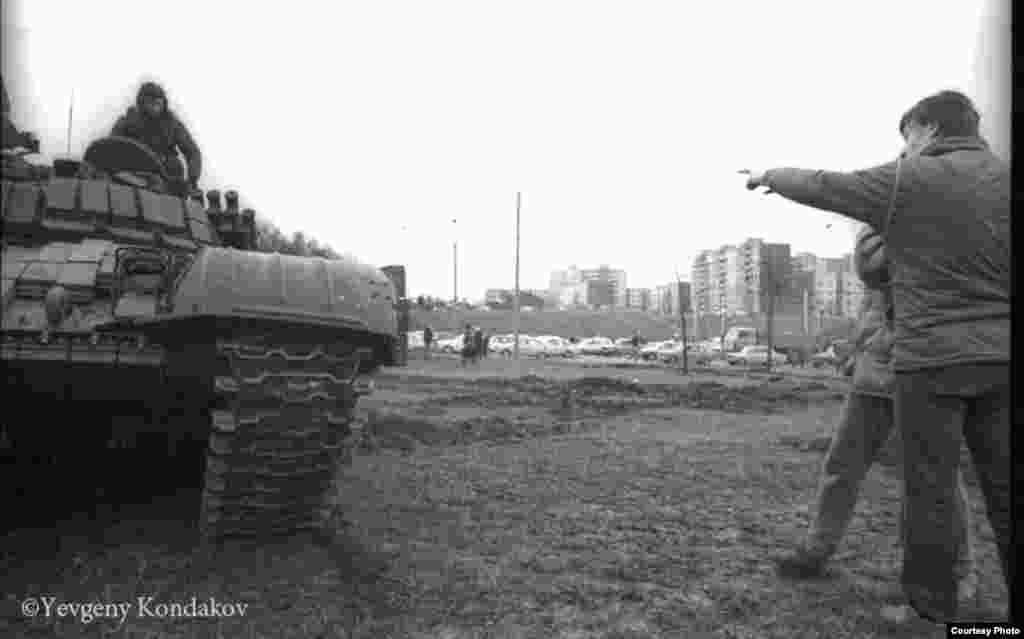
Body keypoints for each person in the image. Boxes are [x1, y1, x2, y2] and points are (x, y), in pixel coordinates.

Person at [741, 90, 1010, 624]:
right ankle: (821, 550)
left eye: (908, 136)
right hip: (922, 361)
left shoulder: (910, 182)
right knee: (865, 467)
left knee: (933, 488)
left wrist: (769, 173)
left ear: (927, 128)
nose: (906, 148)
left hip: (927, 362)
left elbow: (826, 186)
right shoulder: (986, 182)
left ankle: (943, 599)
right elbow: (870, 270)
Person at [776, 227, 976, 605]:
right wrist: (858, 349)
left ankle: (960, 571)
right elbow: (870, 280)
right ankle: (817, 550)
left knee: (938, 476)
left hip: (922, 370)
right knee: (841, 466)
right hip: (873, 375)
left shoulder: (946, 221)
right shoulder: (879, 223)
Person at [111, 81, 202, 192]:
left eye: (158, 103)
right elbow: (111, 146)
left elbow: (192, 152)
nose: (155, 107)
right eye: (151, 103)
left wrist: (192, 179)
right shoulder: (128, 121)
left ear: (163, 103)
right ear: (142, 103)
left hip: (167, 178)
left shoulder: (172, 124)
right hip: (134, 175)